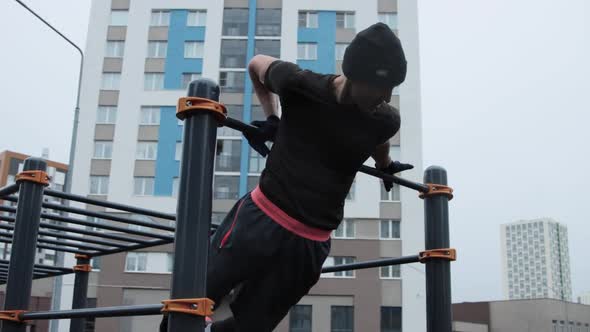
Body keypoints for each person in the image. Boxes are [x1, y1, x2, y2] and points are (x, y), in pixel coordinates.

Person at [161, 22, 413, 332]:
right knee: (190, 302)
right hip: (260, 221)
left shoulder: (385, 118)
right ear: (356, 74)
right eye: (381, 87)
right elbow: (256, 64)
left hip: (309, 245)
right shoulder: (300, 85)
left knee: (249, 325)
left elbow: (379, 139)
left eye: (392, 89)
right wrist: (272, 117)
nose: (386, 96)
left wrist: (385, 165)